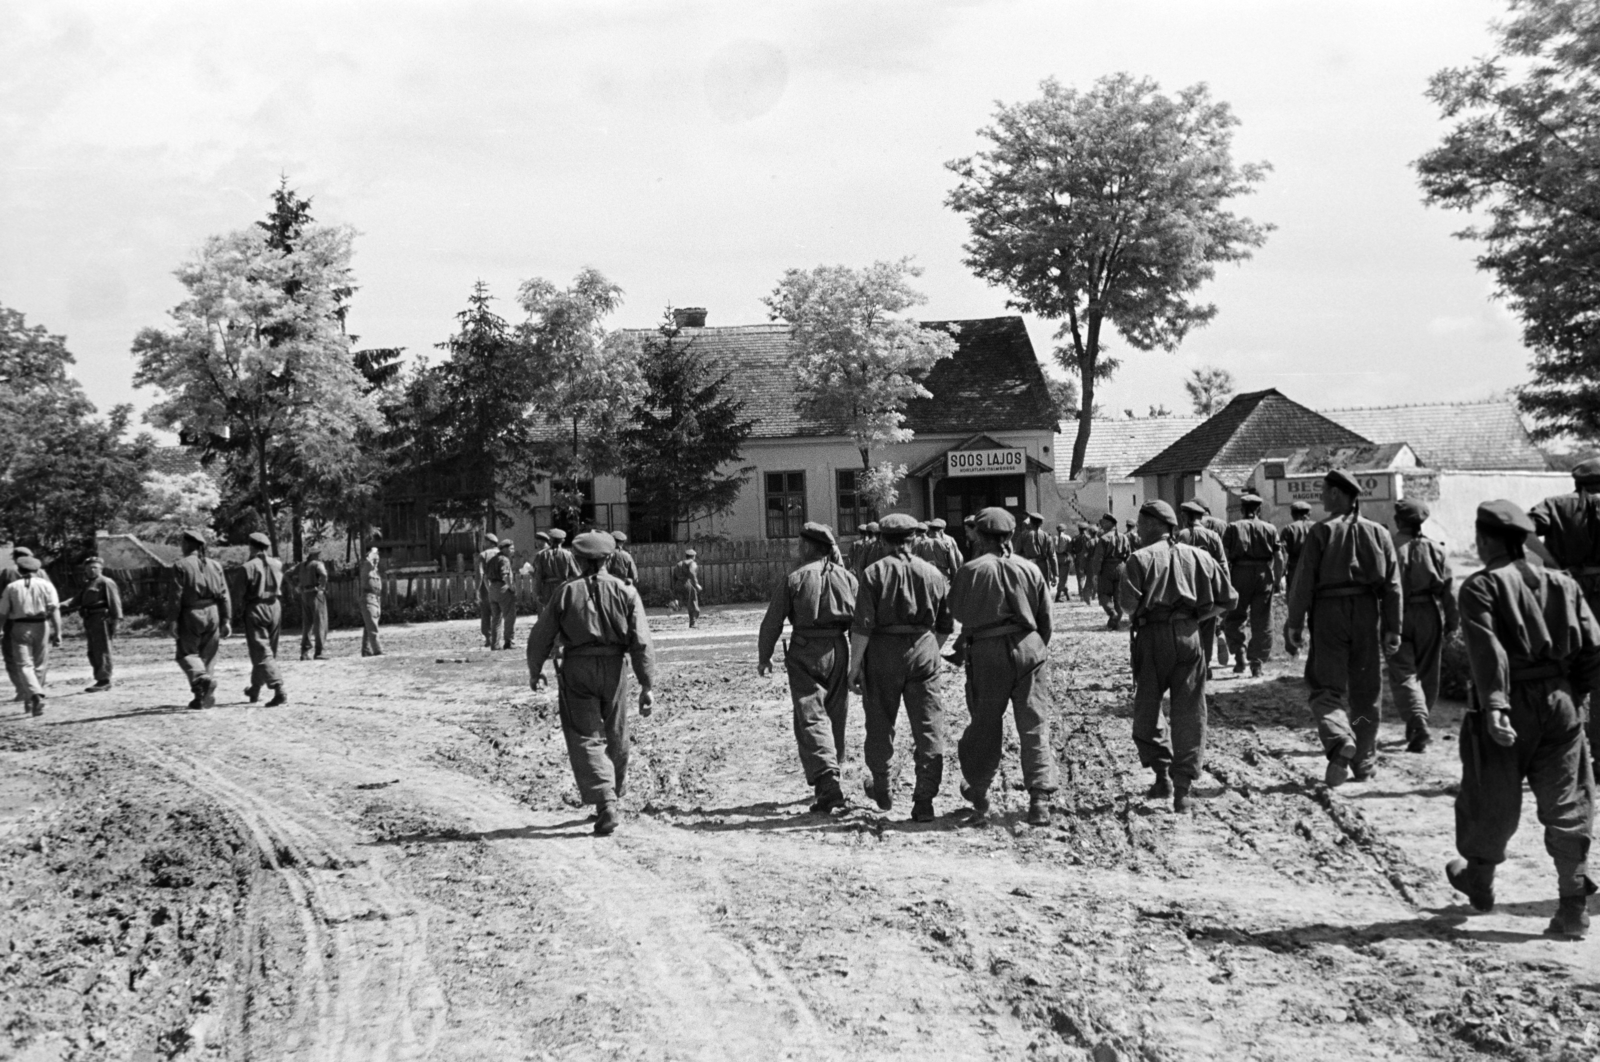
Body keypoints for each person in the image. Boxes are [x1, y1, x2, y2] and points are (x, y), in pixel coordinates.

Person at [1446, 500, 1598, 939]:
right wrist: (1578, 693)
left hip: (1509, 704)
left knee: (1489, 794)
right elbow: (1593, 646)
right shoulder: (1563, 584)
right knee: (1569, 798)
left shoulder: (1480, 587)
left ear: (1485, 539)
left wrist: (1495, 706)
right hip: (1561, 700)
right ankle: (1572, 908)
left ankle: (1480, 881)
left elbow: (1487, 652)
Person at [526, 530, 656, 837]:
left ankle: (605, 800)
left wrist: (535, 669)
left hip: (576, 668)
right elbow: (641, 642)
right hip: (614, 667)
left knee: (585, 735)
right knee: (617, 732)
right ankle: (612, 794)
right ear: (610, 558)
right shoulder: (626, 592)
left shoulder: (565, 592)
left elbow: (541, 636)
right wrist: (647, 684)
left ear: (577, 559)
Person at [1284, 471, 1402, 787]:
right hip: (1368, 613)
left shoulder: (1322, 532)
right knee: (1366, 693)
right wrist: (1394, 627)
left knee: (1326, 686)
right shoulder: (1379, 533)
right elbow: (1392, 585)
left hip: (1328, 614)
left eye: (1324, 492)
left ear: (1337, 494)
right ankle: (1363, 760)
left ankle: (1339, 738)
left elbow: (1303, 581)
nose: (1321, 498)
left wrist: (1294, 624)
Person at [1119, 501, 1236, 811]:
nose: (1139, 531)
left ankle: (1161, 774)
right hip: (1191, 636)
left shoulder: (1139, 559)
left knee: (1147, 707)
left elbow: (1128, 607)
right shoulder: (1200, 556)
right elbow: (1229, 600)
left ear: (1151, 525)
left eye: (1141, 525)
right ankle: (1182, 790)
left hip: (1152, 637)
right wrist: (1197, 619)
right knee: (1189, 710)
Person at [947, 507, 1057, 825]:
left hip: (987, 653)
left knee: (985, 724)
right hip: (1030, 650)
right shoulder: (1030, 569)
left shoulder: (971, 570)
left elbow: (959, 613)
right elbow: (1045, 621)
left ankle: (979, 791)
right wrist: (1033, 650)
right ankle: (1039, 801)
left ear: (979, 536)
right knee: (1034, 726)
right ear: (1011, 536)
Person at [849, 512, 954, 822]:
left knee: (880, 722)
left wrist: (854, 667)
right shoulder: (934, 574)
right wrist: (930, 649)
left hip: (882, 652)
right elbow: (947, 625)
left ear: (882, 539)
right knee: (928, 726)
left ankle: (881, 786)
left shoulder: (872, 573)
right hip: (924, 648)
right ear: (913, 539)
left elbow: (862, 626)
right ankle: (924, 801)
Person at [758, 522, 858, 813]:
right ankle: (833, 769)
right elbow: (861, 622)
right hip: (840, 649)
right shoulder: (848, 578)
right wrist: (859, 663)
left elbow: (772, 622)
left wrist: (765, 657)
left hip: (805, 651)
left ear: (805, 547)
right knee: (836, 712)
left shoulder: (795, 578)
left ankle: (827, 781)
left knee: (810, 715)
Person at [1529, 456, 1600, 762]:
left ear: (1577, 481)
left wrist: (1552, 562)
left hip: (1565, 591)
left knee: (1563, 664)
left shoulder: (1556, 504)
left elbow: (1519, 529)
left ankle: (1565, 750)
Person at [1388, 499, 1458, 753]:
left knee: (1403, 671)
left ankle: (1417, 722)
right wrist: (1452, 621)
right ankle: (1419, 721)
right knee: (1428, 672)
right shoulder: (1435, 549)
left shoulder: (1389, 546)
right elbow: (1448, 589)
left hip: (1396, 613)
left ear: (1398, 521)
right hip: (1429, 612)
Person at [171, 529, 232, 710]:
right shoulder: (215, 565)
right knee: (208, 654)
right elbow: (224, 595)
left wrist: (173, 620)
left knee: (186, 653)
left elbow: (176, 596)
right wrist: (226, 619)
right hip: (213, 612)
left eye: (183, 543)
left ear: (188, 544)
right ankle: (202, 697)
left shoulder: (180, 565)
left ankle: (200, 680)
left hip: (191, 612)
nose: (181, 546)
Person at [1222, 492, 1281, 677]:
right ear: (1258, 510)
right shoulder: (1270, 528)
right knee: (1262, 618)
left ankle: (1239, 652)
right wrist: (1278, 580)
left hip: (1239, 573)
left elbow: (1224, 556)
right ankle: (1256, 662)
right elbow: (1278, 556)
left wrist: (1224, 581)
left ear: (1241, 509)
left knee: (1234, 615)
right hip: (1264, 574)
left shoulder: (1232, 527)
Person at [1, 556, 60, 715]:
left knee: (24, 664)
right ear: (37, 570)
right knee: (40, 664)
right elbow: (54, 609)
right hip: (42, 625)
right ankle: (32, 699)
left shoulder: (11, 587)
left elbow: (3, 612)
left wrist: (0, 629)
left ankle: (34, 696)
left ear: (19, 570)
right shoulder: (47, 586)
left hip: (19, 625)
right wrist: (58, 632)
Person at [1176, 501, 1229, 676]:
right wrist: (1224, 590)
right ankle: (1205, 665)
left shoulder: (1181, 536)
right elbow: (1223, 566)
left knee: (1187, 627)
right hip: (1209, 589)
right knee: (1208, 626)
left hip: (1187, 589)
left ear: (1185, 517)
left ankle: (1191, 665)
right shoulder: (1214, 536)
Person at [61, 556, 121, 692]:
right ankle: (100, 679)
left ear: (101, 569)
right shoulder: (89, 584)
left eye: (94, 567)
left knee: (102, 649)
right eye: (88, 568)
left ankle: (104, 680)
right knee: (93, 651)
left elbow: (115, 602)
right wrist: (56, 605)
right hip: (90, 619)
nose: (91, 570)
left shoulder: (106, 582)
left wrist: (116, 621)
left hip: (102, 619)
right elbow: (76, 600)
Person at [241, 532, 287, 706]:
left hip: (256, 608)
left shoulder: (247, 567)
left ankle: (278, 689)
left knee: (261, 652)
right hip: (275, 606)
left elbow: (237, 592)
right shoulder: (277, 564)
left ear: (252, 546)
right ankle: (255, 688)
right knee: (268, 651)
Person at [1277, 501, 1315, 657]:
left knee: (1295, 611)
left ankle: (1294, 648)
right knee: (1317, 611)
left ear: (1293, 514)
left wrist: (1280, 577)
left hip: (1296, 574)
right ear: (1309, 513)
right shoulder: (1318, 527)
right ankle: (1316, 647)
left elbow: (1283, 555)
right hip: (1316, 575)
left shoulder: (1289, 529)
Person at [1089, 514, 1133, 629]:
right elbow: (1129, 555)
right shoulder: (1124, 537)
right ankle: (1115, 621)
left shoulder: (1103, 538)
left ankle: (1112, 613)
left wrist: (1095, 573)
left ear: (1110, 523)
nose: (1102, 524)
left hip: (1107, 568)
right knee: (1119, 595)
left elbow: (1098, 558)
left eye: (1104, 522)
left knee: (1104, 593)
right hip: (1121, 567)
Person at [483, 539, 518, 650]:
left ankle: (495, 644)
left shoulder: (492, 560)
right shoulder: (504, 560)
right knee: (509, 616)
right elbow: (505, 576)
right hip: (503, 588)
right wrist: (511, 588)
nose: (513, 550)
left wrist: (489, 589)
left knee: (496, 619)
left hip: (492, 589)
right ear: (505, 549)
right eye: (511, 548)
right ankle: (509, 642)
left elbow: (485, 577)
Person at [534, 528, 580, 610]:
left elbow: (538, 575)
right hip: (563, 587)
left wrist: (538, 593)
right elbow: (576, 574)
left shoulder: (541, 555)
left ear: (550, 540)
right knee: (565, 612)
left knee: (550, 614)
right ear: (562, 541)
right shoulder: (567, 555)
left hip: (547, 589)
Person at [297, 545, 329, 661]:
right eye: (318, 553)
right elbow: (324, 575)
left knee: (307, 624)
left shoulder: (302, 565)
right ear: (314, 555)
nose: (320, 555)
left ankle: (304, 652)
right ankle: (319, 652)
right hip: (316, 595)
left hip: (305, 595)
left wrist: (296, 587)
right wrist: (322, 587)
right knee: (320, 623)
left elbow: (287, 574)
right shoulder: (317, 564)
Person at [359, 531, 383, 657]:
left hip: (376, 600)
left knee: (369, 626)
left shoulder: (375, 572)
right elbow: (369, 561)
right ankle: (378, 650)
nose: (376, 561)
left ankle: (366, 650)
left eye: (377, 560)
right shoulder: (366, 569)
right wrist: (374, 551)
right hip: (368, 599)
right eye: (375, 559)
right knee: (373, 627)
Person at [476, 533, 500, 648]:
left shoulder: (483, 555)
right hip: (499, 586)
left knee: (486, 612)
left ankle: (488, 638)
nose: (483, 544)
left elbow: (480, 574)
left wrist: (477, 589)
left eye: (484, 541)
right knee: (498, 613)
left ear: (489, 542)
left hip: (486, 586)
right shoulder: (501, 553)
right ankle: (498, 638)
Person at [674, 548, 702, 627]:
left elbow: (674, 575)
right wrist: (696, 584)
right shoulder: (692, 563)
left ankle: (674, 605)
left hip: (678, 583)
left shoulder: (679, 563)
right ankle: (693, 622)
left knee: (681, 600)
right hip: (687, 583)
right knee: (693, 601)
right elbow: (692, 572)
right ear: (693, 556)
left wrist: (675, 587)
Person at [1071, 523, 1097, 602]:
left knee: (1080, 578)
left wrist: (1074, 556)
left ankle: (1082, 595)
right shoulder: (1089, 538)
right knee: (1090, 577)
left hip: (1079, 559)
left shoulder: (1075, 538)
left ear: (1079, 529)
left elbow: (1071, 550)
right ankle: (1091, 593)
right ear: (1086, 529)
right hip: (1089, 560)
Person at [1053, 523, 1075, 602]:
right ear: (1064, 530)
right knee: (1063, 577)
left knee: (1062, 577)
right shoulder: (1067, 538)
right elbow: (1070, 549)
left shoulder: (1054, 538)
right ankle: (1058, 595)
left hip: (1056, 557)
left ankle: (1067, 595)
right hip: (1065, 557)